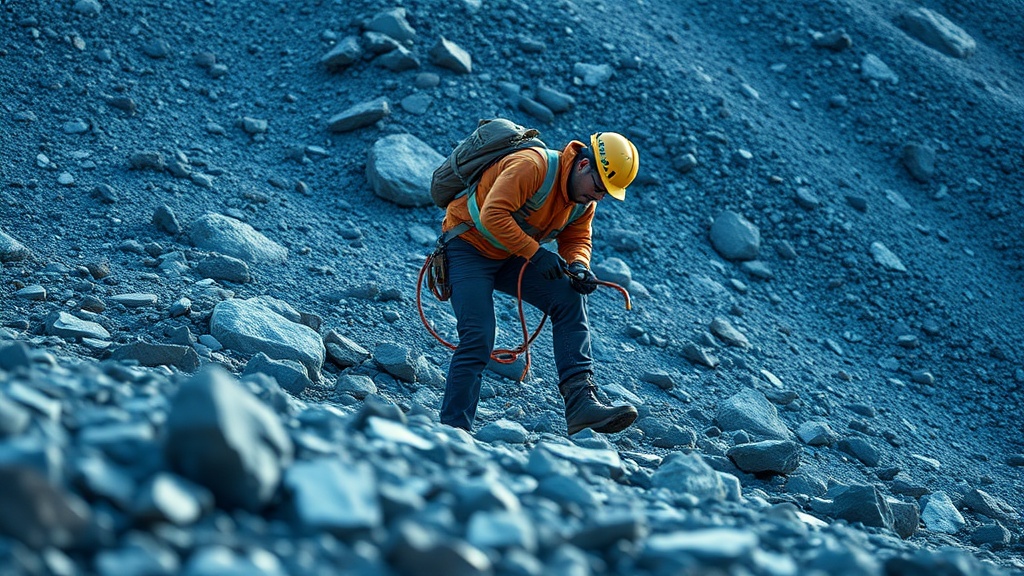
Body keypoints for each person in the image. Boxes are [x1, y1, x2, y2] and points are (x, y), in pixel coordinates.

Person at [438, 131, 641, 435]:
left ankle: (581, 404)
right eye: (599, 188)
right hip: (467, 246)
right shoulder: (531, 166)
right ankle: (454, 430)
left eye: (606, 194)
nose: (600, 197)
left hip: (511, 253)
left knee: (569, 297)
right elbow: (494, 214)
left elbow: (577, 237)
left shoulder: (583, 200)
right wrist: (536, 254)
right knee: (478, 335)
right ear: (584, 164)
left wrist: (578, 265)